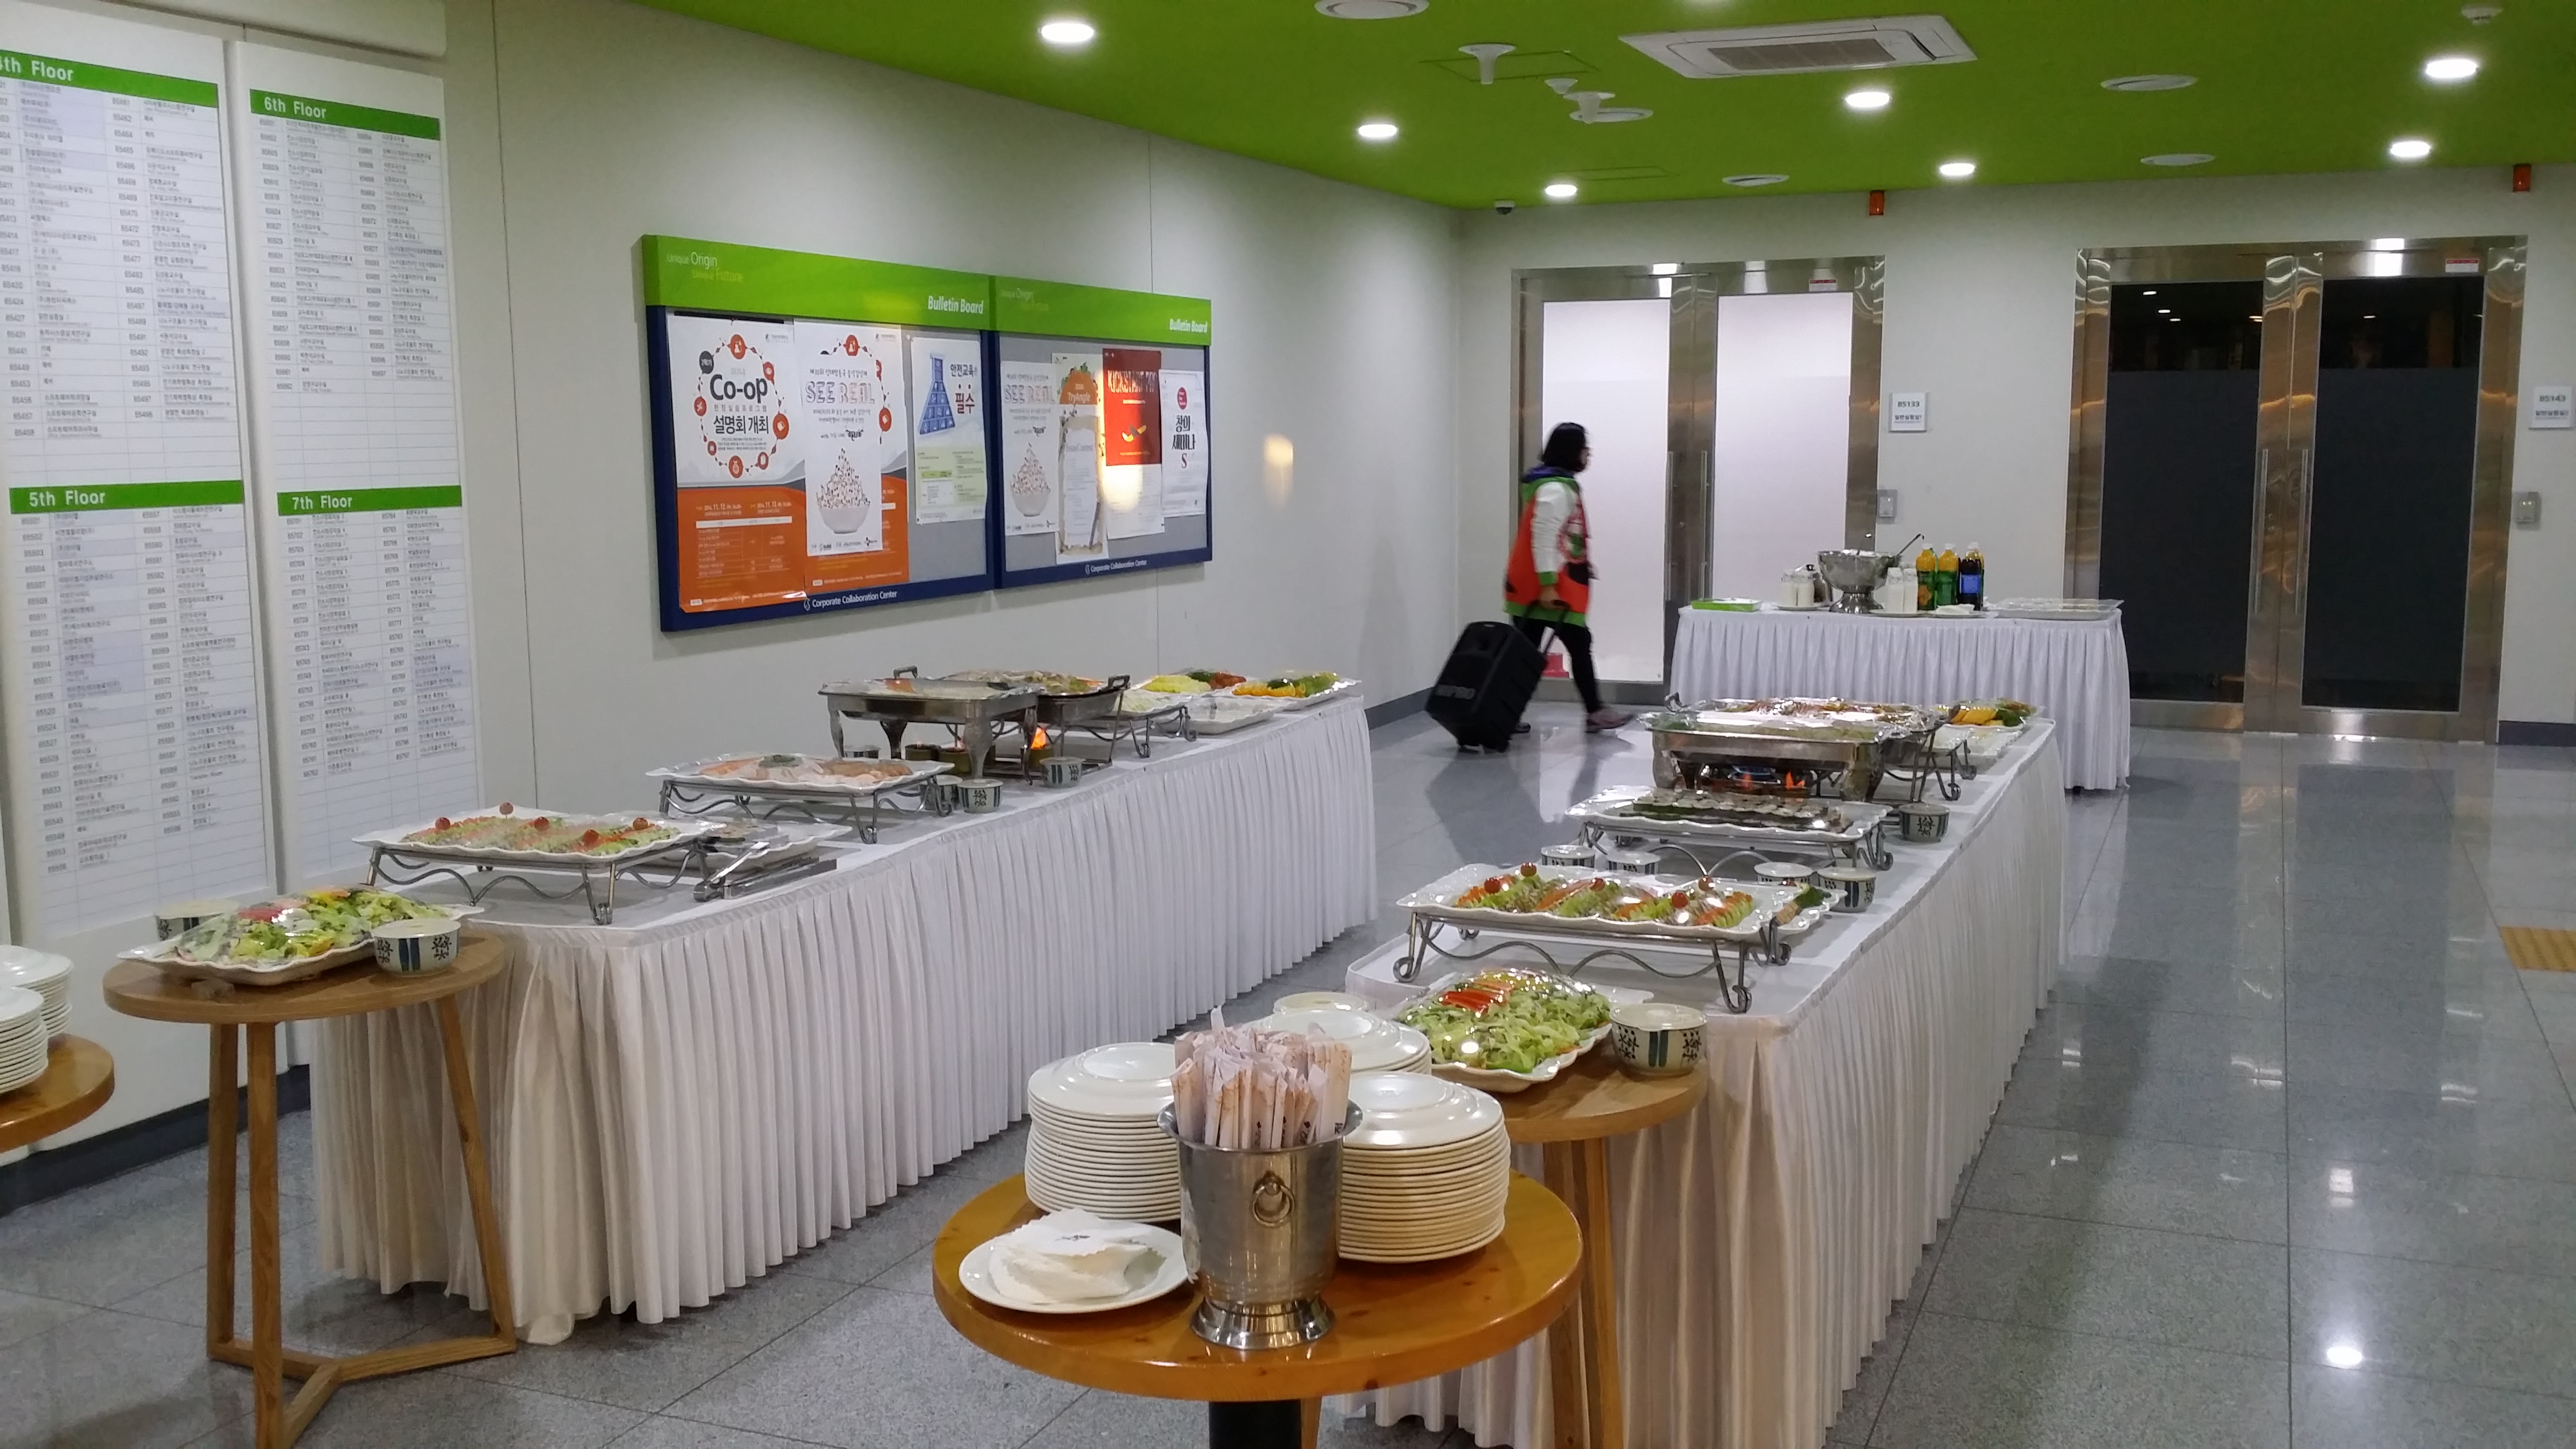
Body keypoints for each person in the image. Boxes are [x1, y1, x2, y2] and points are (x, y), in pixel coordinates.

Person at [1504, 422, 1632, 733]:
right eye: (1584, 448)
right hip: (1546, 589)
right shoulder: (1555, 489)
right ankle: (1595, 711)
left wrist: (1579, 562)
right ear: (1572, 451)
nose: (1588, 454)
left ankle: (1504, 714)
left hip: (1539, 584)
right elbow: (1543, 537)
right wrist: (1549, 584)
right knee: (1572, 645)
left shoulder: (1553, 484)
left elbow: (1561, 536)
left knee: (1527, 655)